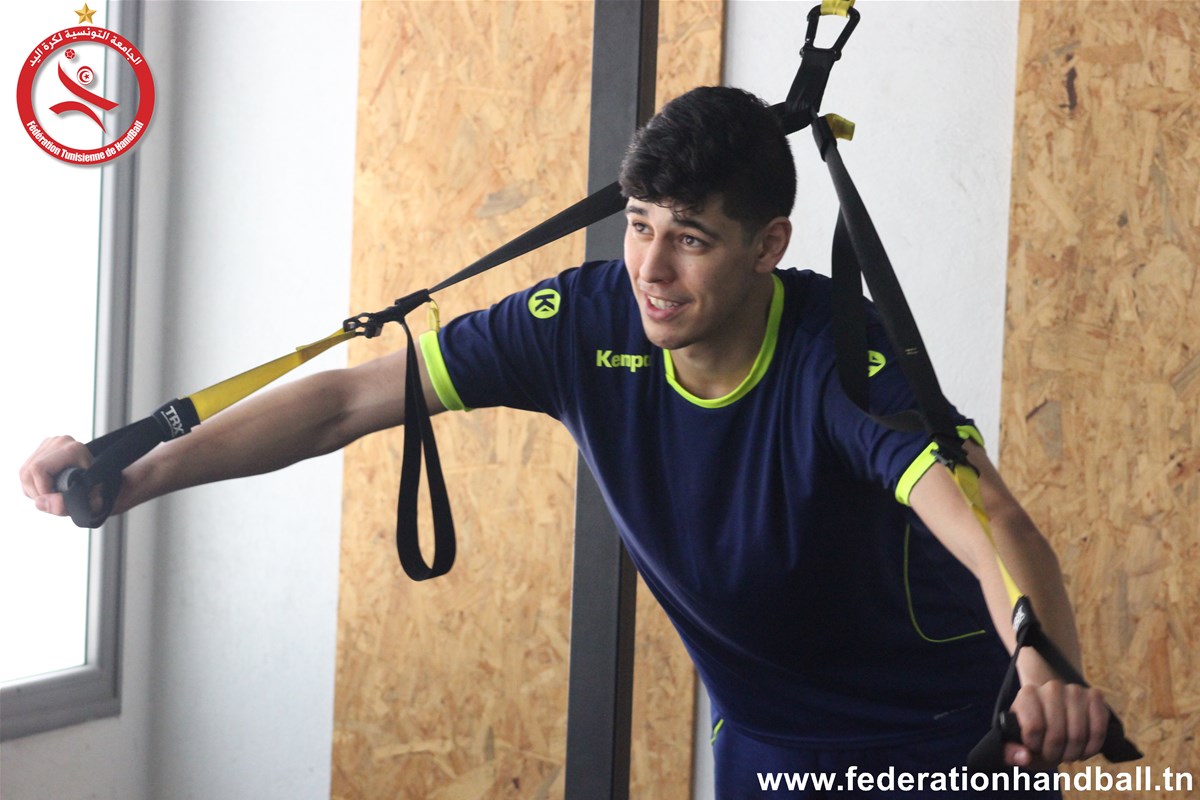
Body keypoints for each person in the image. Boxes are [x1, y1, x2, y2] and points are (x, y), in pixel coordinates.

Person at [21, 87, 1108, 797]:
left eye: (691, 238)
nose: (652, 270)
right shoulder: (584, 324)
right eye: (639, 225)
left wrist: (1045, 662)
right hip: (769, 743)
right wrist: (130, 472)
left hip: (947, 736)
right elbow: (345, 402)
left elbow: (991, 523)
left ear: (768, 245)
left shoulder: (842, 358)